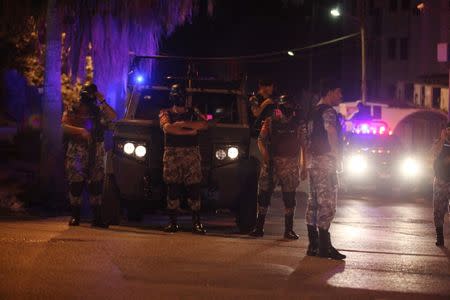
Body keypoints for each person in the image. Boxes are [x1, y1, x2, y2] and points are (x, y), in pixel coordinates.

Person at [249, 95, 308, 239]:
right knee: (263, 195)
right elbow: (261, 141)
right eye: (285, 107)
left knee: (289, 198)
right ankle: (259, 227)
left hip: (291, 164)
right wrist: (266, 158)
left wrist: (304, 166)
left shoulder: (298, 125)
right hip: (272, 164)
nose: (288, 111)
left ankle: (288, 230)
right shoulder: (270, 122)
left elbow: (304, 145)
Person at [62, 82, 117, 227]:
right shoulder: (73, 108)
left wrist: (102, 99)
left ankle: (97, 218)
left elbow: (113, 116)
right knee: (76, 183)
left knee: (96, 184)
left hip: (96, 149)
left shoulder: (99, 110)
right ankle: (75, 216)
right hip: (77, 149)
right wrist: (80, 131)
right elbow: (63, 126)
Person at [159, 84, 208, 234]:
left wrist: (183, 124)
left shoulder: (194, 112)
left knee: (194, 188)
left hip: (191, 154)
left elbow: (204, 124)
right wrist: (190, 132)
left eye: (180, 95)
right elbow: (168, 128)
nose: (178, 98)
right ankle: (173, 223)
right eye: (175, 95)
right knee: (173, 188)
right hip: (172, 154)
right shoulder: (165, 112)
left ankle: (196, 223)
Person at [306, 81, 346, 260]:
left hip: (313, 161)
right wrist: (337, 154)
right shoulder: (328, 111)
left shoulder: (313, 111)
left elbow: (304, 136)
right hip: (326, 160)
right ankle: (323, 248)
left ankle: (314, 246)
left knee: (313, 202)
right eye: (338, 92)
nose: (341, 96)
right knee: (327, 204)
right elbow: (330, 131)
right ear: (330, 92)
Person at [431, 123, 450, 247]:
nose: (449, 133)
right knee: (438, 210)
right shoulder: (439, 144)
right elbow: (431, 155)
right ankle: (440, 236)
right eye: (448, 130)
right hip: (440, 181)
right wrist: (442, 140)